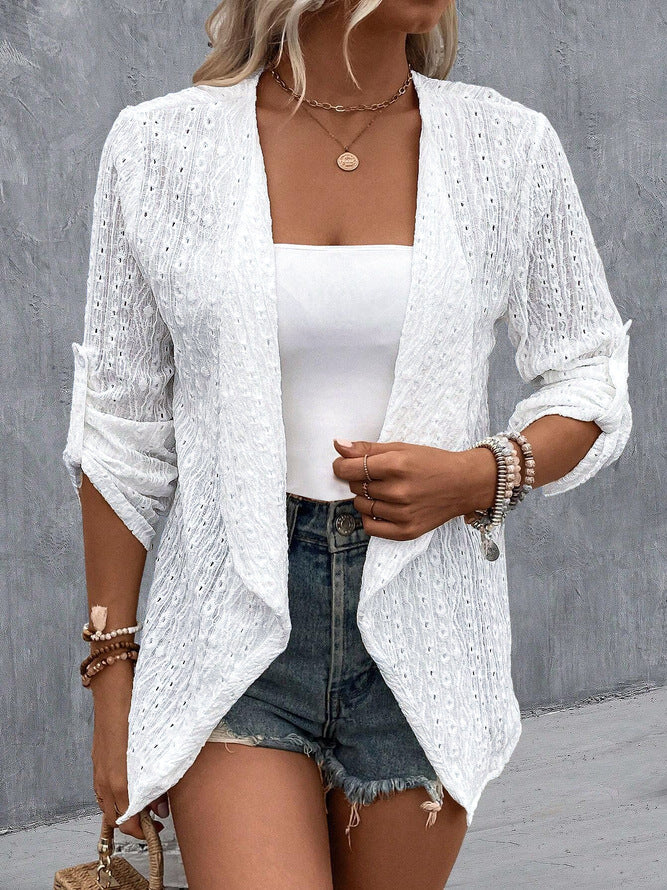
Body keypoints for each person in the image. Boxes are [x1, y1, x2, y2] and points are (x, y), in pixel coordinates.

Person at [62, 1, 633, 887]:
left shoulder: (506, 146)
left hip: (423, 634)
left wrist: (479, 475)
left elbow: (589, 372)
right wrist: (113, 677)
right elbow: (119, 429)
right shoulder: (159, 147)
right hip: (229, 629)